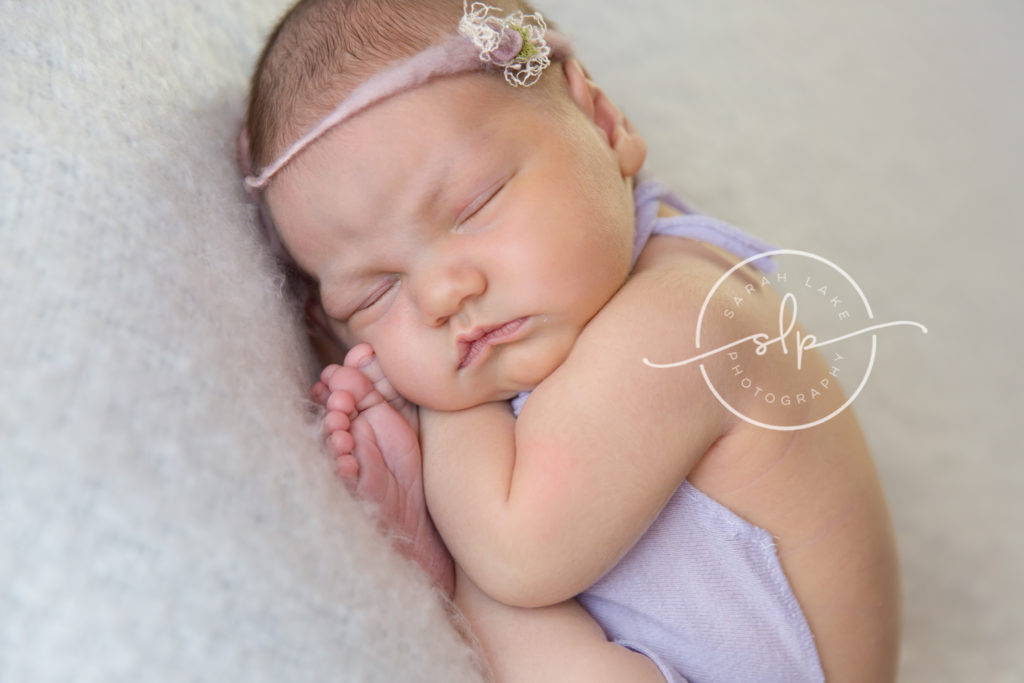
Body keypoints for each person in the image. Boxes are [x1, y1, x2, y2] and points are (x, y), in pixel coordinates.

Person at [239, 1, 901, 680]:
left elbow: (519, 551)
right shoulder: (568, 301)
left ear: (604, 125)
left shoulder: (685, 315)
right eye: (374, 293)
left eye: (475, 205)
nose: (441, 296)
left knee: (504, 585)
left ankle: (455, 567)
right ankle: (453, 557)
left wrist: (441, 408)